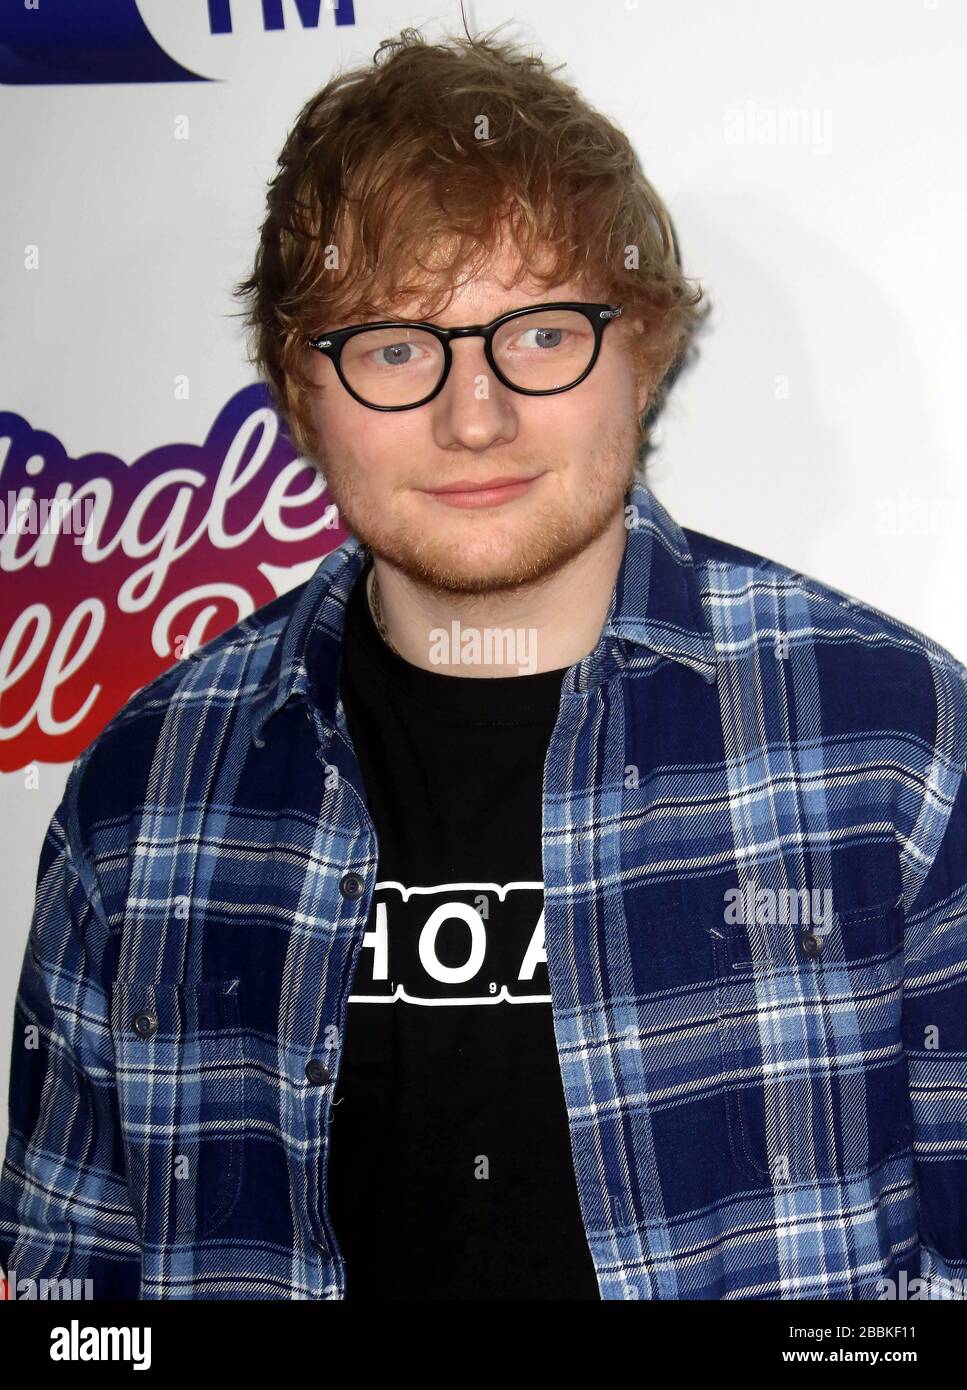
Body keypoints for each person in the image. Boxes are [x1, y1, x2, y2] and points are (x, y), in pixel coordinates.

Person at [2, 25, 966, 1302]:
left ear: (643, 351)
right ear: (301, 389)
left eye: (544, 332)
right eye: (396, 346)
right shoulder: (145, 794)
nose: (475, 416)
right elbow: (72, 1294)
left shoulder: (894, 742)